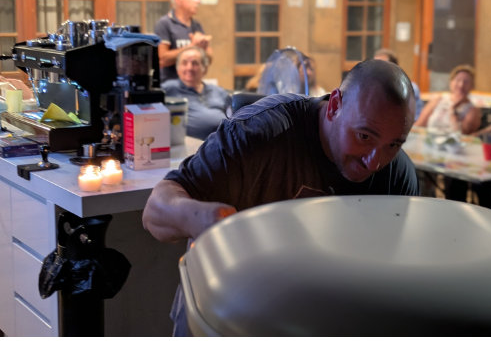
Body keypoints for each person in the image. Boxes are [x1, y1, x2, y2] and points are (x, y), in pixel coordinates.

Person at [142, 59, 422, 336]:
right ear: (335, 105)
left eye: (393, 145)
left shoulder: (397, 175)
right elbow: (155, 211)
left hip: (322, 317)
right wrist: (207, 220)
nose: (375, 162)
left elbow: (391, 277)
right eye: (364, 136)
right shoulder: (259, 135)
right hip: (224, 309)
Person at [160, 47, 230, 140]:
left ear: (205, 69)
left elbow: (234, 116)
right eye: (184, 63)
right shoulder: (169, 88)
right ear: (177, 69)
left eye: (195, 63)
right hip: (191, 145)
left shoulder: (218, 91)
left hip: (224, 141)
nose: (189, 68)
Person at [155, 0, 212, 81]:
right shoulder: (164, 23)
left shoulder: (196, 25)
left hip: (192, 84)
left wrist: (204, 47)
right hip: (170, 84)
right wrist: (192, 46)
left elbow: (209, 59)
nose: (198, 1)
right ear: (178, 0)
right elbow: (162, 59)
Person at [414, 64, 483, 136]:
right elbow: (419, 125)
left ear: (472, 86)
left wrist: (453, 111)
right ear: (451, 82)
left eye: (466, 82)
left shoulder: (473, 110)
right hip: (429, 140)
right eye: (458, 80)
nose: (461, 85)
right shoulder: (438, 100)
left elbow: (461, 136)